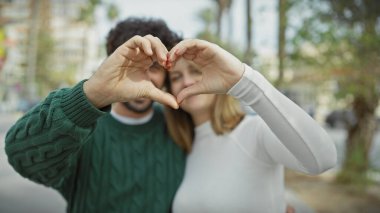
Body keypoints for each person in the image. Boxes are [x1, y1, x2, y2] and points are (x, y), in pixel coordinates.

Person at [5, 17, 186, 212]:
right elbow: (20, 154)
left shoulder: (179, 124)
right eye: (133, 66)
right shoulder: (81, 127)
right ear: (110, 64)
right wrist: (89, 96)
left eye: (154, 67)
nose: (143, 78)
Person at [164, 39, 338, 213]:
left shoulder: (255, 131)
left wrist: (243, 82)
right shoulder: (182, 148)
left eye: (195, 71)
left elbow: (323, 159)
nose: (186, 81)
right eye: (176, 77)